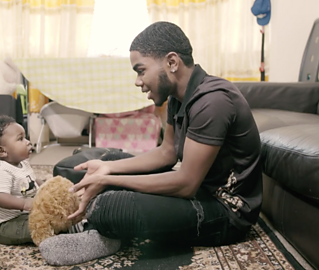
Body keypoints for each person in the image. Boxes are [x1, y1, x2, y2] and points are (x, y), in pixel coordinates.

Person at [39, 21, 262, 265]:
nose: (137, 81)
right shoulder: (178, 96)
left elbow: (185, 183)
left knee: (110, 207)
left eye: (141, 70)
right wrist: (108, 169)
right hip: (198, 191)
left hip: (225, 211)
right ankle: (94, 212)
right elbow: (166, 153)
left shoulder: (213, 102)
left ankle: (100, 229)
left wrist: (109, 180)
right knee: (77, 168)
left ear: (172, 62)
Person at [0, 115, 40, 245]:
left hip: (21, 216)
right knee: (42, 227)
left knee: (49, 216)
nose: (28, 142)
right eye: (21, 139)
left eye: (26, 137)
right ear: (2, 151)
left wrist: (44, 185)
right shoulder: (1, 170)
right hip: (3, 226)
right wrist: (24, 204)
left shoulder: (22, 163)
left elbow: (30, 180)